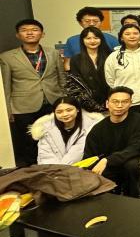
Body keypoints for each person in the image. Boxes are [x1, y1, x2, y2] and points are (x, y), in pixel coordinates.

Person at [1, 19, 65, 166]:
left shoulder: (53, 53)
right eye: (24, 30)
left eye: (35, 30)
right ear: (18, 35)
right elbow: (5, 85)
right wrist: (7, 111)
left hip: (52, 101)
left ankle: (55, 167)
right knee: (28, 142)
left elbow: (61, 78)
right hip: (23, 106)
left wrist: (64, 99)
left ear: (42, 34)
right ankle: (32, 169)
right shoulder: (7, 57)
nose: (30, 33)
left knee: (54, 137)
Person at [83, 86, 140, 194]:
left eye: (124, 102)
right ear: (107, 103)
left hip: (128, 161)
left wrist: (108, 160)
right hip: (108, 167)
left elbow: (135, 148)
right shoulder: (98, 129)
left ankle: (132, 197)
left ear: (130, 103)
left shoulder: (139, 121)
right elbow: (89, 156)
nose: (119, 105)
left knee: (131, 165)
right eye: (115, 102)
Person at [104, 24, 140, 118]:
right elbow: (110, 80)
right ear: (121, 37)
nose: (132, 36)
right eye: (127, 34)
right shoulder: (113, 57)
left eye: (135, 33)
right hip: (127, 104)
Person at [31, 96, 103, 165]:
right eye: (59, 112)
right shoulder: (46, 129)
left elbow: (77, 154)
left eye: (69, 110)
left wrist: (61, 169)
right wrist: (55, 170)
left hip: (81, 168)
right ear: (54, 113)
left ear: (78, 109)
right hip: (52, 170)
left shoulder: (90, 127)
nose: (65, 114)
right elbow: (45, 156)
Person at [67, 26, 111, 112]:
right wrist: (90, 103)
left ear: (101, 39)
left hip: (109, 100)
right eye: (88, 38)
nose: (92, 41)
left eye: (96, 38)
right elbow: (76, 84)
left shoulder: (110, 56)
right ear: (82, 40)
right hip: (87, 104)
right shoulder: (76, 59)